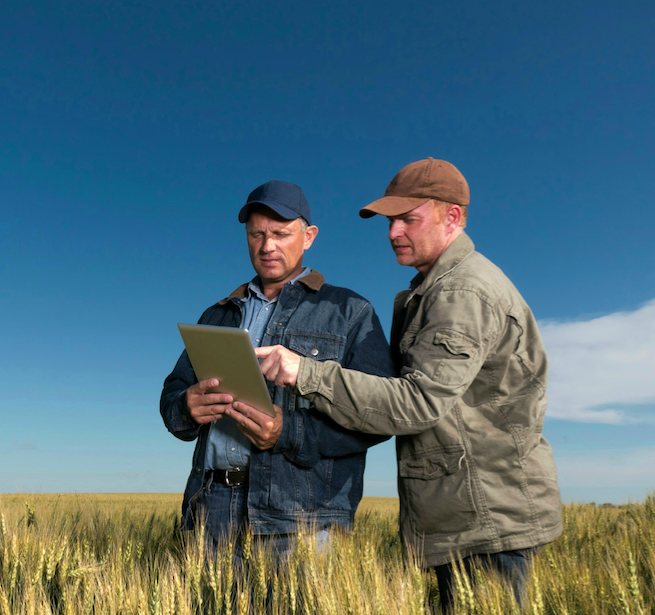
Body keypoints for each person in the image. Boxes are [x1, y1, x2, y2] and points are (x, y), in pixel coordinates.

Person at [255, 159, 563, 608]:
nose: (393, 232)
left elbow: (418, 404)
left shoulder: (462, 292)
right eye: (389, 220)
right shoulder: (435, 289)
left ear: (452, 217)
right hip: (465, 514)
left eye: (408, 219)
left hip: (486, 520)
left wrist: (305, 371)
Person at [160, 179, 394, 556]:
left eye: (281, 234)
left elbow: (381, 417)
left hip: (301, 517)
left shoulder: (351, 313)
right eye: (257, 234)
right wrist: (185, 407)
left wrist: (290, 432)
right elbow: (173, 392)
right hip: (211, 507)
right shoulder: (217, 315)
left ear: (309, 236)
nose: (267, 246)